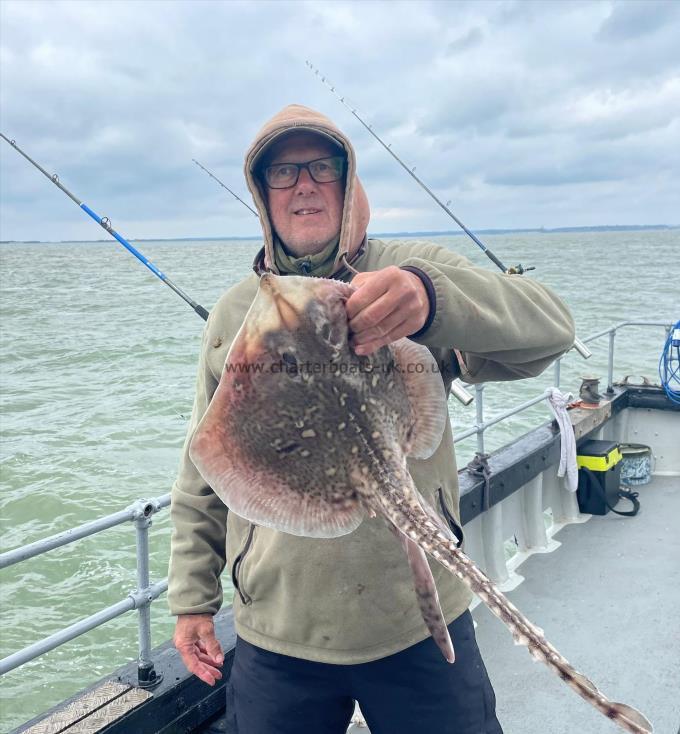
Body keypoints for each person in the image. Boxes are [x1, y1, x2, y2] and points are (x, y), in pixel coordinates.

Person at [169, 104, 575, 734]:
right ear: (263, 193)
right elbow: (204, 461)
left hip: (417, 615)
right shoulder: (235, 314)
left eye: (322, 166)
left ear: (347, 179)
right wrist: (192, 599)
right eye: (283, 172)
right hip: (280, 628)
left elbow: (551, 330)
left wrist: (429, 298)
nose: (304, 184)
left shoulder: (408, 270)